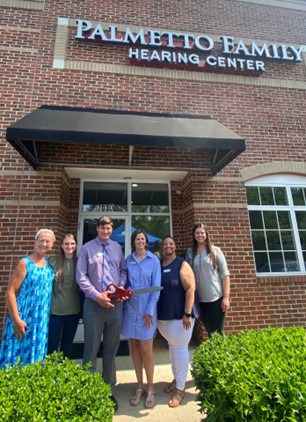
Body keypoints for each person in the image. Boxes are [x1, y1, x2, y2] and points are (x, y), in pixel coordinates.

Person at [76, 216, 127, 412]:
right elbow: (81, 277)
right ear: (97, 228)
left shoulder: (117, 247)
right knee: (91, 349)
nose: (107, 231)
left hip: (115, 306)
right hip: (94, 305)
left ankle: (108, 391)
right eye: (103, 228)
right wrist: (97, 296)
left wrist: (120, 286)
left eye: (109, 228)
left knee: (110, 351)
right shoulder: (87, 248)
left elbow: (122, 270)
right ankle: (89, 391)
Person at [0, 229, 56, 367]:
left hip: (41, 318)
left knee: (36, 356)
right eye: (41, 240)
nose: (44, 243)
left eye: (47, 241)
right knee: (17, 354)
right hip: (24, 315)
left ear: (52, 245)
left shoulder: (49, 263)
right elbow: (10, 292)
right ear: (35, 242)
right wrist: (16, 320)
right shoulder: (25, 263)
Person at [121, 228, 161, 409]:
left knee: (146, 349)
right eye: (137, 239)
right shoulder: (127, 260)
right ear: (133, 242)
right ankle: (139, 386)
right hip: (131, 310)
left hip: (147, 311)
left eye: (143, 239)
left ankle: (151, 388)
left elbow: (156, 286)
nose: (140, 241)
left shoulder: (154, 261)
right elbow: (124, 282)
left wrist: (150, 310)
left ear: (146, 242)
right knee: (134, 347)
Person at [157, 236, 197, 408]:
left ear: (175, 246)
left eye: (171, 244)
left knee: (180, 350)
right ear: (162, 247)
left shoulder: (182, 264)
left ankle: (180, 390)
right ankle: (176, 379)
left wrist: (187, 313)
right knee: (173, 349)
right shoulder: (158, 265)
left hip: (181, 317)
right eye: (165, 244)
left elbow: (190, 288)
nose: (168, 246)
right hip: (164, 316)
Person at [185, 223, 230, 337]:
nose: (200, 235)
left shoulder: (215, 251)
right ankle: (214, 354)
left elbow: (225, 274)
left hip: (216, 298)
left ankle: (222, 354)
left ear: (206, 234)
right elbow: (188, 275)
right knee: (210, 331)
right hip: (199, 300)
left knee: (217, 333)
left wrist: (226, 297)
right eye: (197, 233)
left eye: (202, 232)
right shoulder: (190, 253)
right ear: (194, 235)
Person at [48, 233, 81, 358]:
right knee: (52, 346)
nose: (69, 246)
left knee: (67, 347)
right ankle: (50, 374)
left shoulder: (80, 263)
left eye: (72, 243)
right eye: (66, 243)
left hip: (73, 311)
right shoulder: (52, 262)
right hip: (56, 312)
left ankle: (62, 373)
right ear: (61, 245)